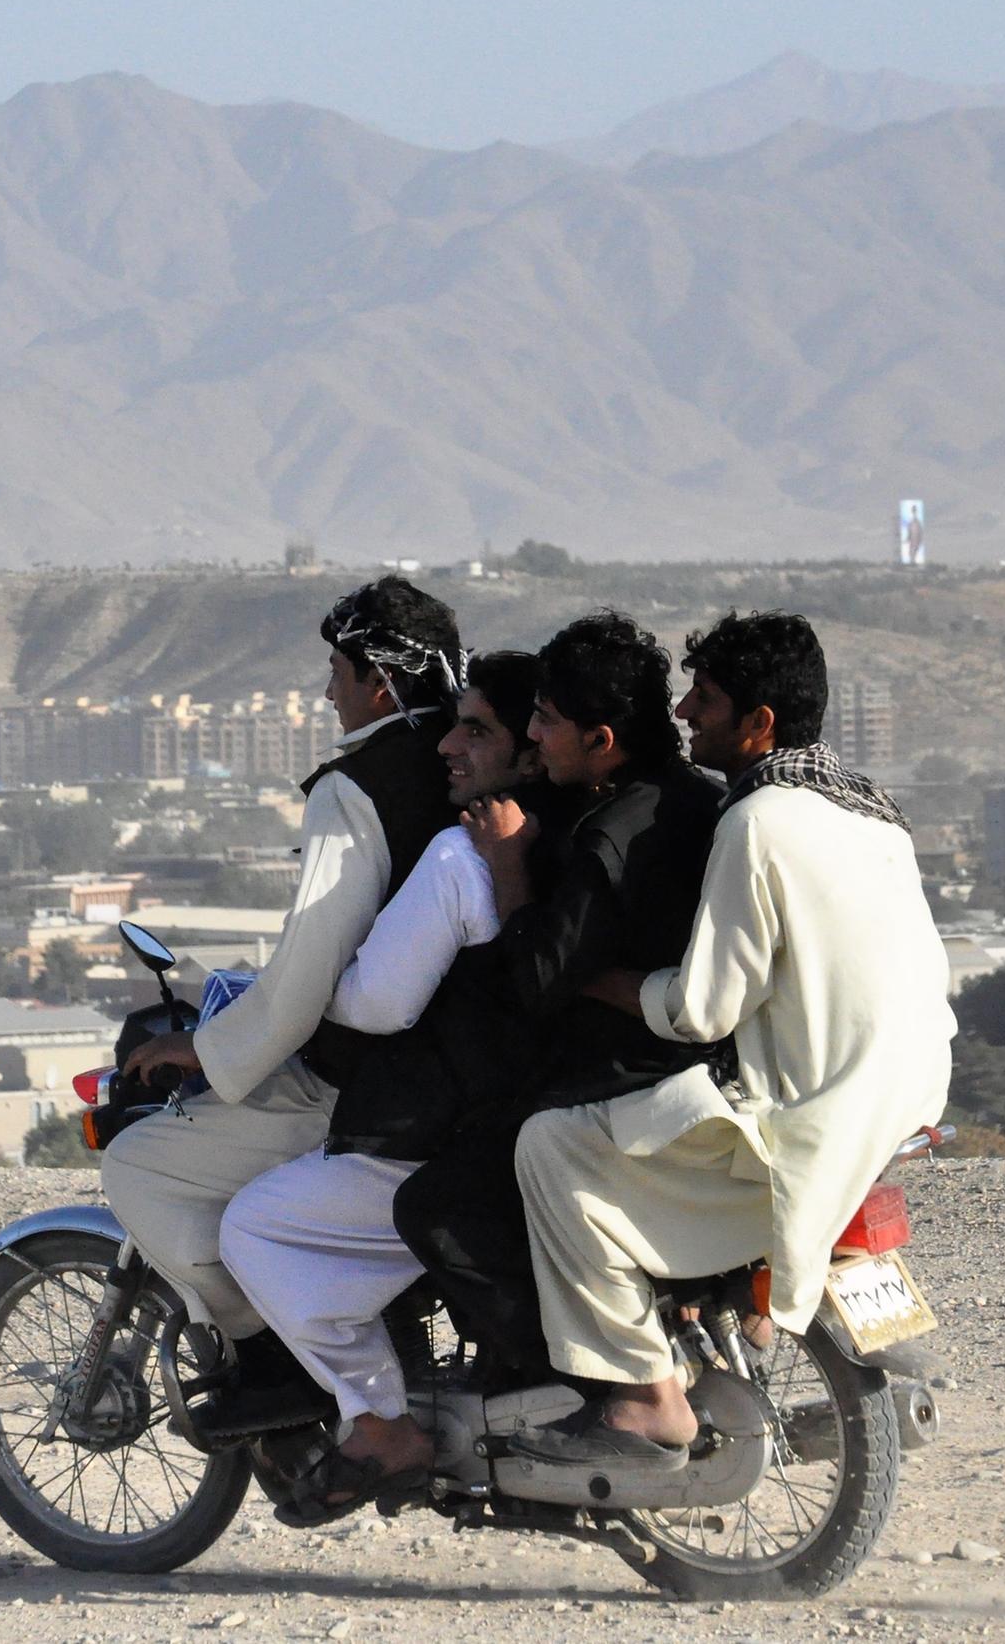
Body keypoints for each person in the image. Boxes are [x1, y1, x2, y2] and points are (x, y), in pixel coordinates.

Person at [508, 611, 953, 1473]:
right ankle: (735, 1319)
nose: (683, 713)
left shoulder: (757, 821)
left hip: (808, 1112)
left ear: (759, 723)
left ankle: (643, 1396)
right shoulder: (872, 810)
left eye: (704, 699)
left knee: (550, 1146)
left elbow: (700, 1009)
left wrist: (596, 979)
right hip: (907, 1097)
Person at [105, 575, 461, 1424]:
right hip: (462, 1062)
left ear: (380, 683)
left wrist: (206, 1049)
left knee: (139, 1166)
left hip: (367, 1082)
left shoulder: (356, 787)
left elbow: (307, 975)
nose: (328, 693)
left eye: (337, 672)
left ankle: (272, 1362)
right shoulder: (467, 761)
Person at [210, 652, 542, 1505]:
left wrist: (308, 987)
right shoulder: (580, 835)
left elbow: (376, 1003)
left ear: (531, 745)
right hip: (541, 1117)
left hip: (455, 1132)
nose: (449, 748)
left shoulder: (460, 857)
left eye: (477, 732)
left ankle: (379, 1424)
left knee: (256, 1226)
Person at [387, 610, 727, 1425]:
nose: (534, 739)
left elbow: (539, 978)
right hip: (691, 1067)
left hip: (617, 1079)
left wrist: (508, 865)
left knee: (438, 1206)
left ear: (601, 739)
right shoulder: (694, 799)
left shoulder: (610, 836)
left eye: (545, 721)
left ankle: (594, 1390)